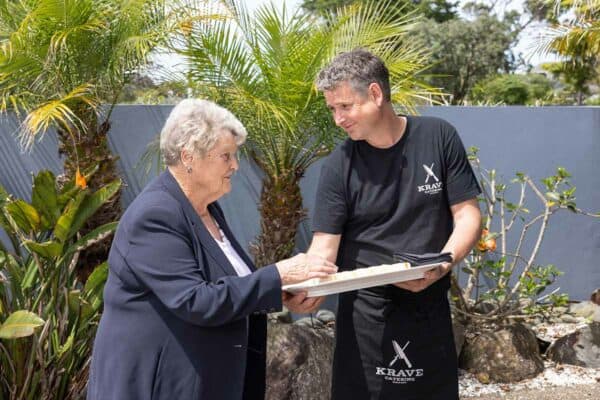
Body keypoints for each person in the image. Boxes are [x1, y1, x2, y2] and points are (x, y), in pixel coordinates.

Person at [87, 98, 336, 400]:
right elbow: (196, 300)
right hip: (158, 386)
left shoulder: (206, 209)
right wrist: (277, 275)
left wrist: (280, 291)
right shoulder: (155, 215)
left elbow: (225, 285)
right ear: (188, 156)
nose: (235, 165)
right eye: (226, 156)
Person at [308, 49, 482, 399]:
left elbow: (468, 215)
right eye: (332, 109)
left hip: (430, 306)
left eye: (345, 106)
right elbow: (324, 247)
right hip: (364, 318)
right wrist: (309, 288)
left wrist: (443, 262)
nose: (337, 119)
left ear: (375, 94)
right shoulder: (338, 165)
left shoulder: (438, 137)